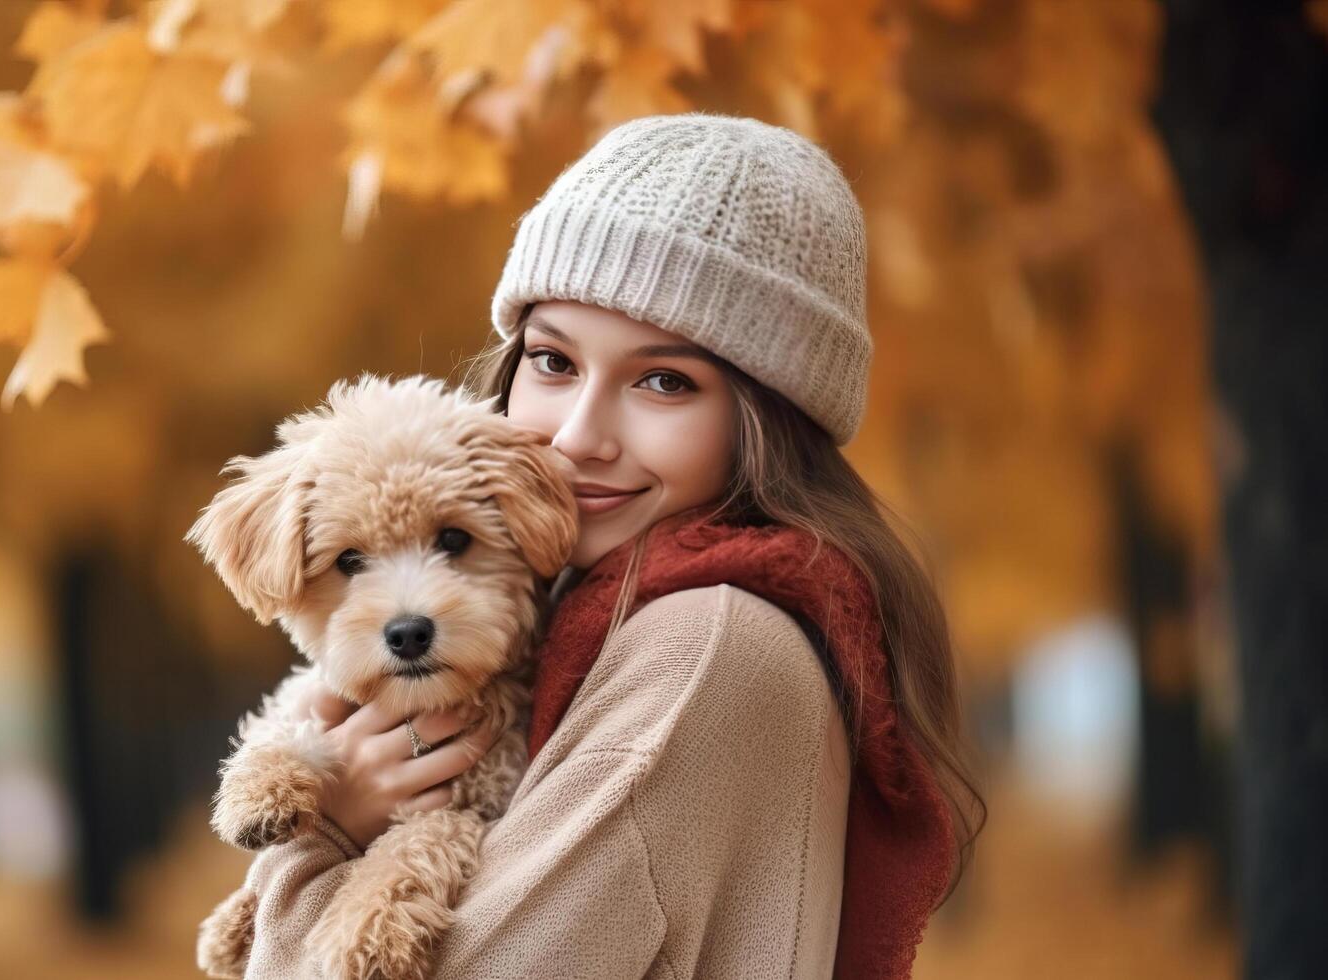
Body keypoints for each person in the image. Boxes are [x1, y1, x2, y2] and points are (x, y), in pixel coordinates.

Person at [231, 113, 985, 979]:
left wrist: (322, 835)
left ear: (767, 421)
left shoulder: (702, 646)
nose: (577, 436)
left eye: (663, 382)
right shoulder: (572, 620)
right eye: (552, 362)